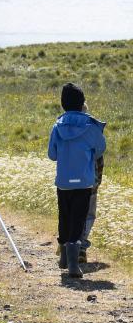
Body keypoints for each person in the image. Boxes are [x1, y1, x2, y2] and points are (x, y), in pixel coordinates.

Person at [48, 83, 106, 278]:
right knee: (78, 220)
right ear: (82, 103)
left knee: (64, 216)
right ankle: (73, 264)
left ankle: (64, 256)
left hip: (63, 182)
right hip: (84, 182)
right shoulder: (91, 128)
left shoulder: (57, 126)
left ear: (62, 104)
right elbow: (100, 149)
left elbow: (52, 154)